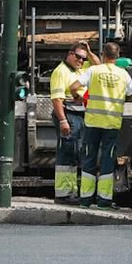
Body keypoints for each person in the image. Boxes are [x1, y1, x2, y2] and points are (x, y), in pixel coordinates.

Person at [78, 43, 132, 209]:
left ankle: (85, 200)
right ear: (118, 56)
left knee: (89, 158)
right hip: (112, 123)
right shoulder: (123, 74)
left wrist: (77, 96)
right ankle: (104, 201)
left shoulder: (93, 71)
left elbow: (74, 86)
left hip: (93, 122)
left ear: (103, 54)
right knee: (107, 161)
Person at [47, 41, 94, 202]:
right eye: (79, 57)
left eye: (84, 58)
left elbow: (99, 66)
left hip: (78, 114)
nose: (81, 61)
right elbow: (57, 99)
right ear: (70, 54)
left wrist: (88, 51)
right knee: (67, 153)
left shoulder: (80, 69)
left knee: (74, 153)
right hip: (68, 113)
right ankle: (64, 194)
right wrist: (63, 121)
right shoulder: (60, 72)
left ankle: (70, 191)